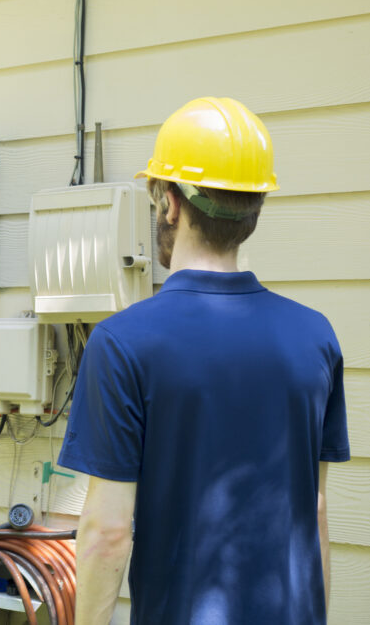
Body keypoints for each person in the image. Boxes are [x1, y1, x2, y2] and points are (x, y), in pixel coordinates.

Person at [57, 97, 350, 624]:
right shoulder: (316, 338)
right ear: (254, 211)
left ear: (170, 203)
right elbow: (317, 510)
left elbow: (107, 534)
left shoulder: (123, 344)